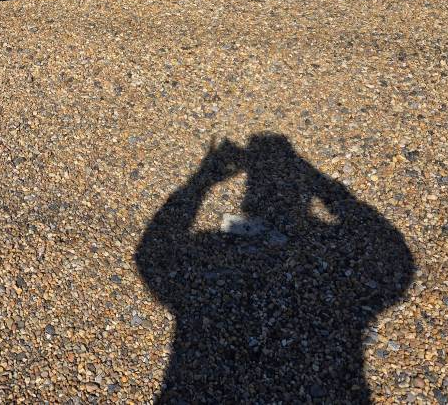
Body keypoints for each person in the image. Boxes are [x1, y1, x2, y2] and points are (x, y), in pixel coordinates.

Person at [135, 134, 415, 403]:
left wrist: (202, 180)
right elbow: (389, 251)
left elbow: (153, 255)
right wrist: (312, 177)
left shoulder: (194, 268)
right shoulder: (360, 293)